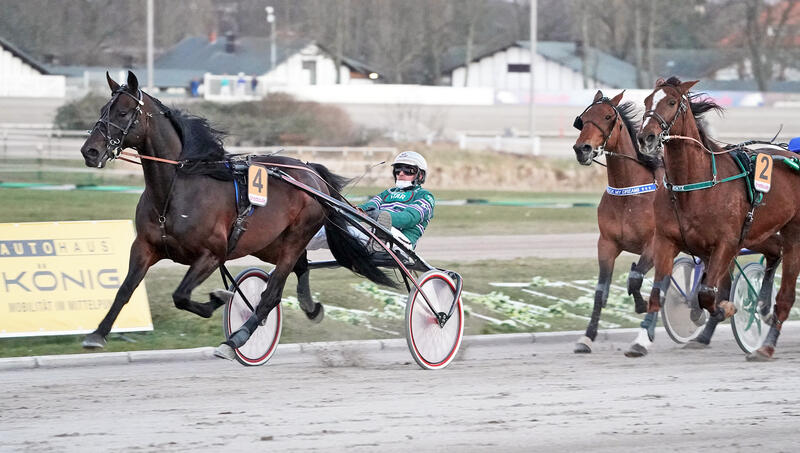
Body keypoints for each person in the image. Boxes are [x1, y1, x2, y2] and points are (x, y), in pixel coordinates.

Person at [306, 151, 435, 250]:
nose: (401, 173)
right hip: (373, 232)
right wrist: (345, 212)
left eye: (408, 170)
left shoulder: (425, 196)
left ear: (420, 175)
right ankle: (297, 240)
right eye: (398, 169)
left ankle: (381, 238)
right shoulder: (387, 193)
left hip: (402, 242)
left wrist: (379, 216)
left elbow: (409, 217)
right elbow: (368, 207)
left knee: (354, 231)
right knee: (328, 230)